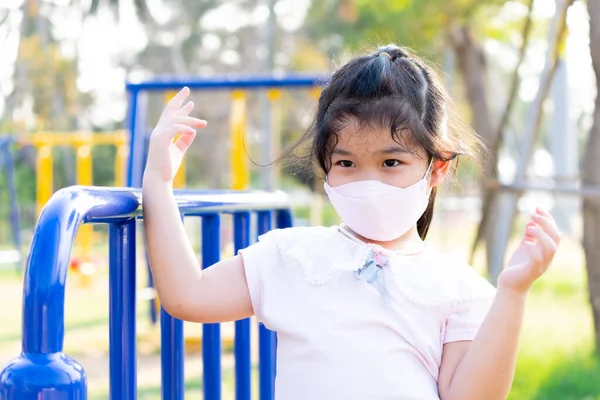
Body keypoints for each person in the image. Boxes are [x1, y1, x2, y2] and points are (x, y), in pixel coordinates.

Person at [142, 45, 560, 400]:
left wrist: (513, 292)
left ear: (437, 169)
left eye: (391, 162)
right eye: (346, 162)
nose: (367, 181)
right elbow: (187, 296)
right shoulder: (291, 257)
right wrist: (158, 182)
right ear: (326, 167)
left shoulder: (460, 291)